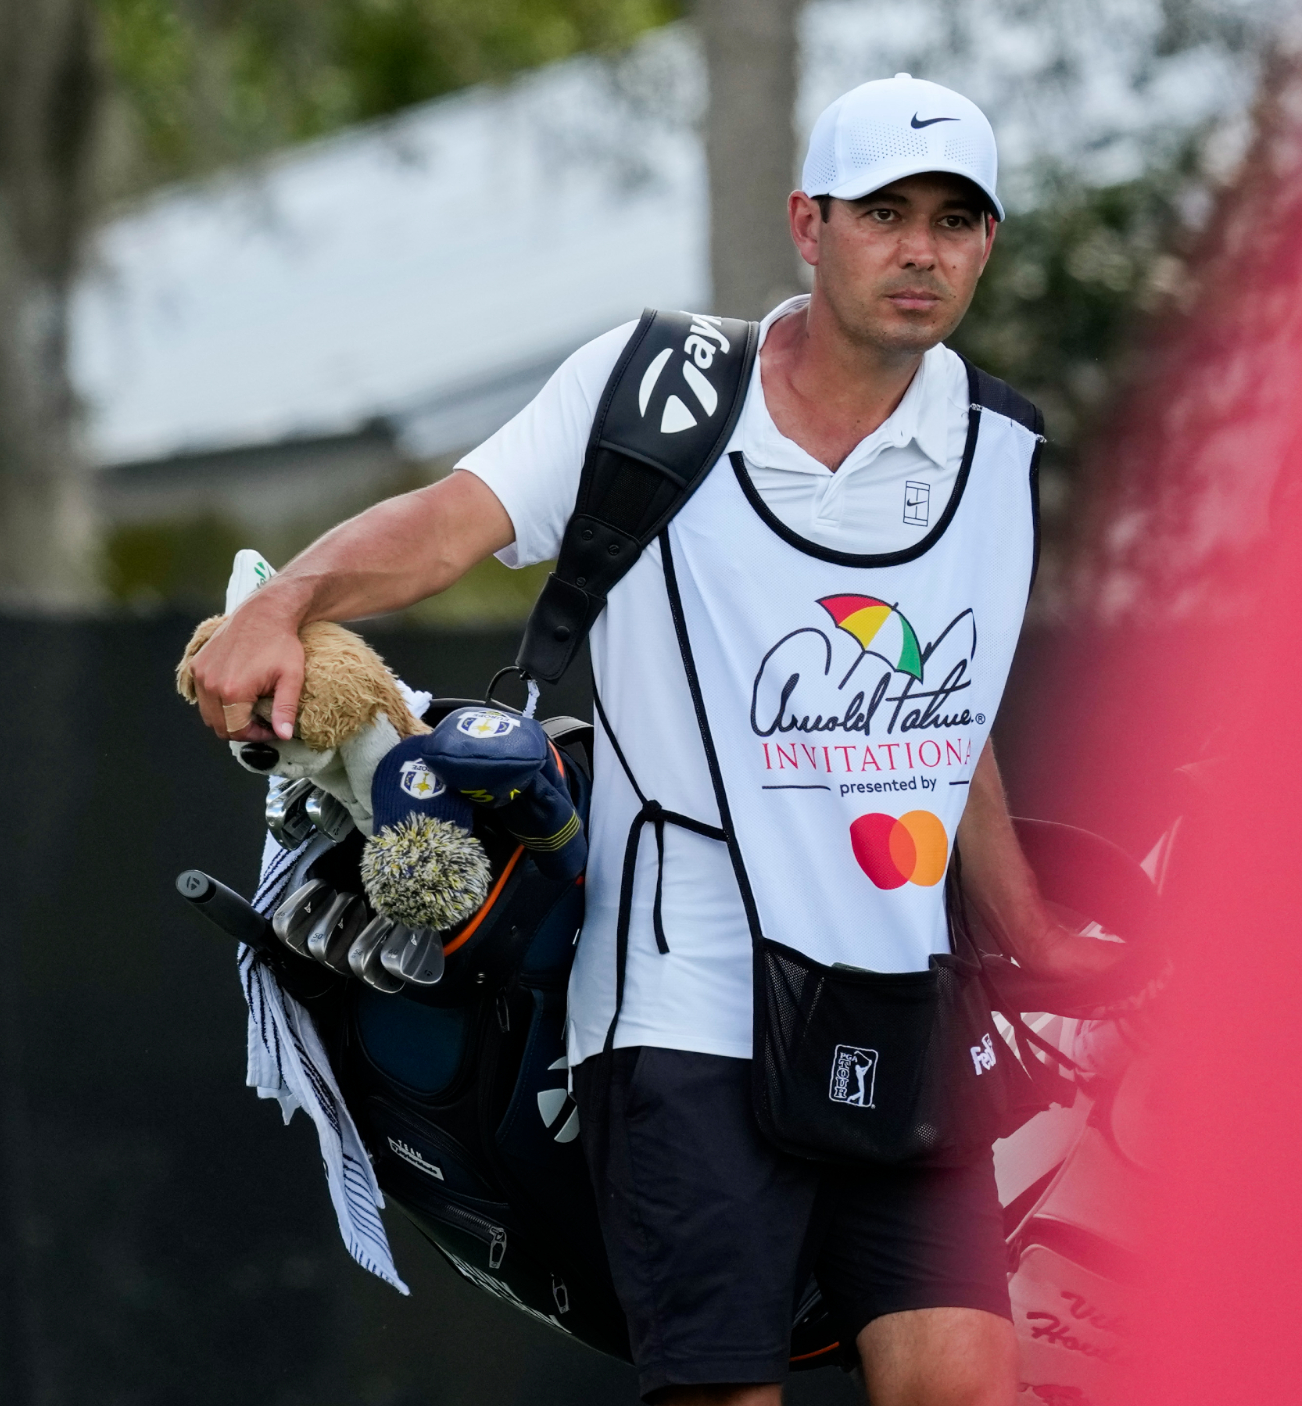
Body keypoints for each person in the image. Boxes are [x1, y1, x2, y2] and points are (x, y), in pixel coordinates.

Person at [184, 75, 1122, 1405]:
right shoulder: (653, 389)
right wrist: (286, 601)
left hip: (893, 1009)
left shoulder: (990, 451)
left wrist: (1027, 924)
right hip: (682, 1016)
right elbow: (450, 522)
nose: (922, 249)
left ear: (987, 244)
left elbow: (940, 714)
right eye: (886, 212)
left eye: (958, 220)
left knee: (966, 1381)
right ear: (809, 222)